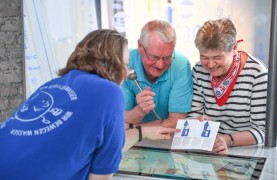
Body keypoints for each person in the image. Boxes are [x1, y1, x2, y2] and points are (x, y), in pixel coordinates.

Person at [0, 29, 179, 180]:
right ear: (114, 64)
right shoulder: (110, 91)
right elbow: (101, 175)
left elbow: (101, 146)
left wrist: (141, 133)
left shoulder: (54, 84)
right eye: (125, 65)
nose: (126, 73)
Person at [187, 18, 267, 154]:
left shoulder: (257, 74)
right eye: (204, 57)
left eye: (217, 57)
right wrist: (196, 122)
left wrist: (226, 140)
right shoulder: (199, 70)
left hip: (247, 151)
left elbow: (263, 131)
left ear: (234, 48)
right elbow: (193, 114)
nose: (210, 65)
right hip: (209, 148)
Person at [122, 20, 193, 128]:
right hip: (132, 141)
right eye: (154, 57)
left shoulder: (180, 64)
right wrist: (140, 111)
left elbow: (176, 123)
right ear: (140, 46)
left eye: (167, 57)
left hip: (165, 141)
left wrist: (138, 132)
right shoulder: (125, 62)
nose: (160, 65)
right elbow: (119, 119)